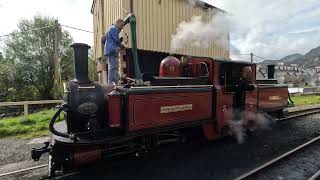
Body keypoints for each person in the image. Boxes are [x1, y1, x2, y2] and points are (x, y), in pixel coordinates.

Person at [104, 19, 125, 84]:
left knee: (114, 66)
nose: (122, 27)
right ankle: (112, 82)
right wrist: (121, 45)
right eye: (121, 25)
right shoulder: (114, 29)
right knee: (113, 66)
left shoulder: (112, 29)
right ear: (118, 23)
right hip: (112, 50)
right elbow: (116, 40)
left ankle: (114, 81)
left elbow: (114, 40)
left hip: (112, 49)